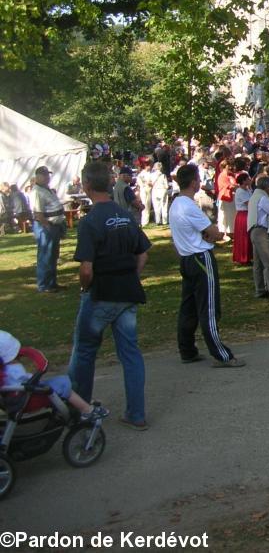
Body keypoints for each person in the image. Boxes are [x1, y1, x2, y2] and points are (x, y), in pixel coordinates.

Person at [64, 160, 149, 430]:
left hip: (101, 292)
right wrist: (133, 276)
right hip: (127, 292)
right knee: (130, 353)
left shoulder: (90, 221)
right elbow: (143, 252)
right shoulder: (124, 215)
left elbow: (86, 268)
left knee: (85, 351)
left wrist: (84, 287)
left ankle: (80, 412)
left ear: (86, 185)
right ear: (110, 182)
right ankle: (136, 414)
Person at [168, 163, 243, 367]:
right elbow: (213, 232)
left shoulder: (175, 204)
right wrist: (215, 236)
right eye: (198, 180)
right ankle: (221, 354)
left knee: (189, 306)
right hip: (200, 257)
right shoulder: (189, 206)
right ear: (193, 183)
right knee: (208, 307)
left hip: (186, 257)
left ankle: (187, 349)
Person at [1, 330, 110, 422]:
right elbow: (26, 381)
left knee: (55, 384)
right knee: (62, 384)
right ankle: (87, 410)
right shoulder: (14, 370)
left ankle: (76, 404)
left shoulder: (4, 371)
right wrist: (34, 376)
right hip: (25, 399)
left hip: (13, 398)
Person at [31, 165, 67, 292]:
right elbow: (38, 213)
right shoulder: (37, 191)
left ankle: (52, 282)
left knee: (53, 255)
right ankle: (44, 285)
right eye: (44, 175)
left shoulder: (47, 189)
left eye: (48, 175)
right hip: (45, 226)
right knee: (45, 255)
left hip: (54, 225)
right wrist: (47, 226)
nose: (47, 177)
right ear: (38, 176)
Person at [232, 171, 252, 265]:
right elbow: (249, 203)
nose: (249, 180)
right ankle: (242, 257)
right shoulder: (240, 191)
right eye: (248, 179)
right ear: (244, 181)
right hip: (243, 215)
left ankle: (248, 256)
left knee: (248, 236)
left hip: (248, 213)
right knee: (243, 236)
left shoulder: (247, 190)